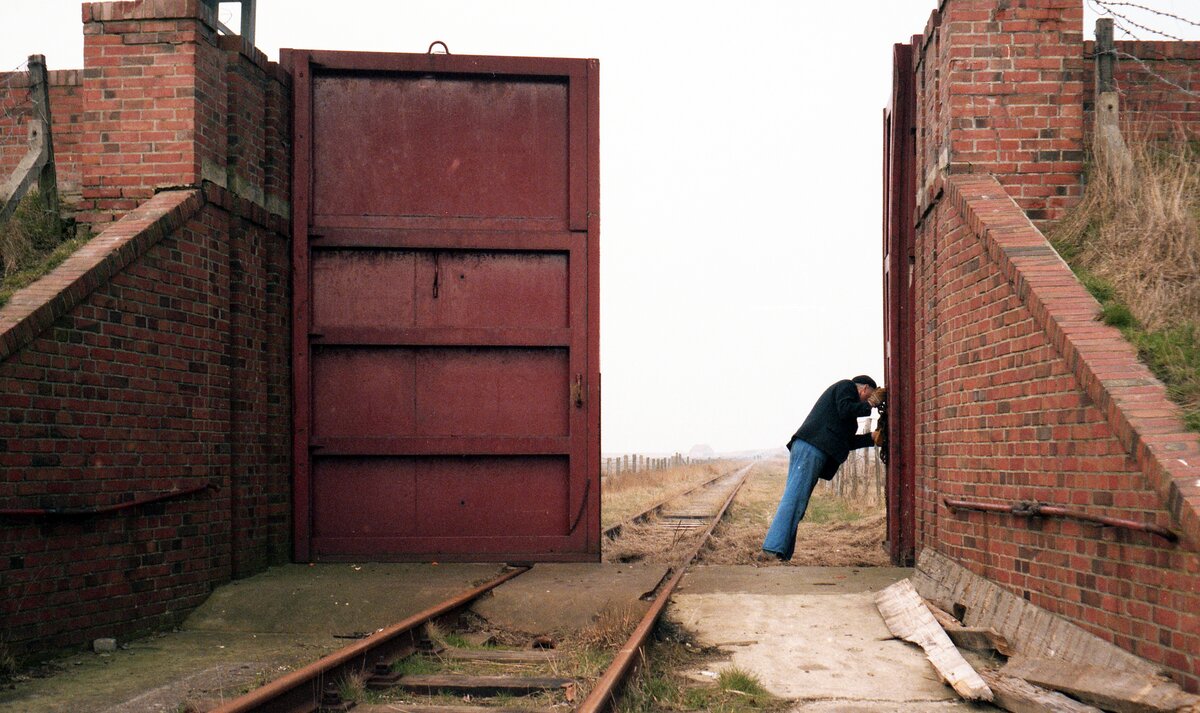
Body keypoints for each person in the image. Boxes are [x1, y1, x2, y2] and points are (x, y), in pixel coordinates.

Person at [761, 375, 883, 561]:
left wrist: (872, 437)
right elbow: (846, 410)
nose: (869, 402)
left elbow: (846, 442)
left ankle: (781, 553)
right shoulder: (846, 386)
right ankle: (771, 550)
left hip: (811, 448)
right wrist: (872, 403)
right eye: (870, 396)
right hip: (811, 448)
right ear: (864, 388)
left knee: (798, 502)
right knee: (794, 499)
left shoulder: (846, 414)